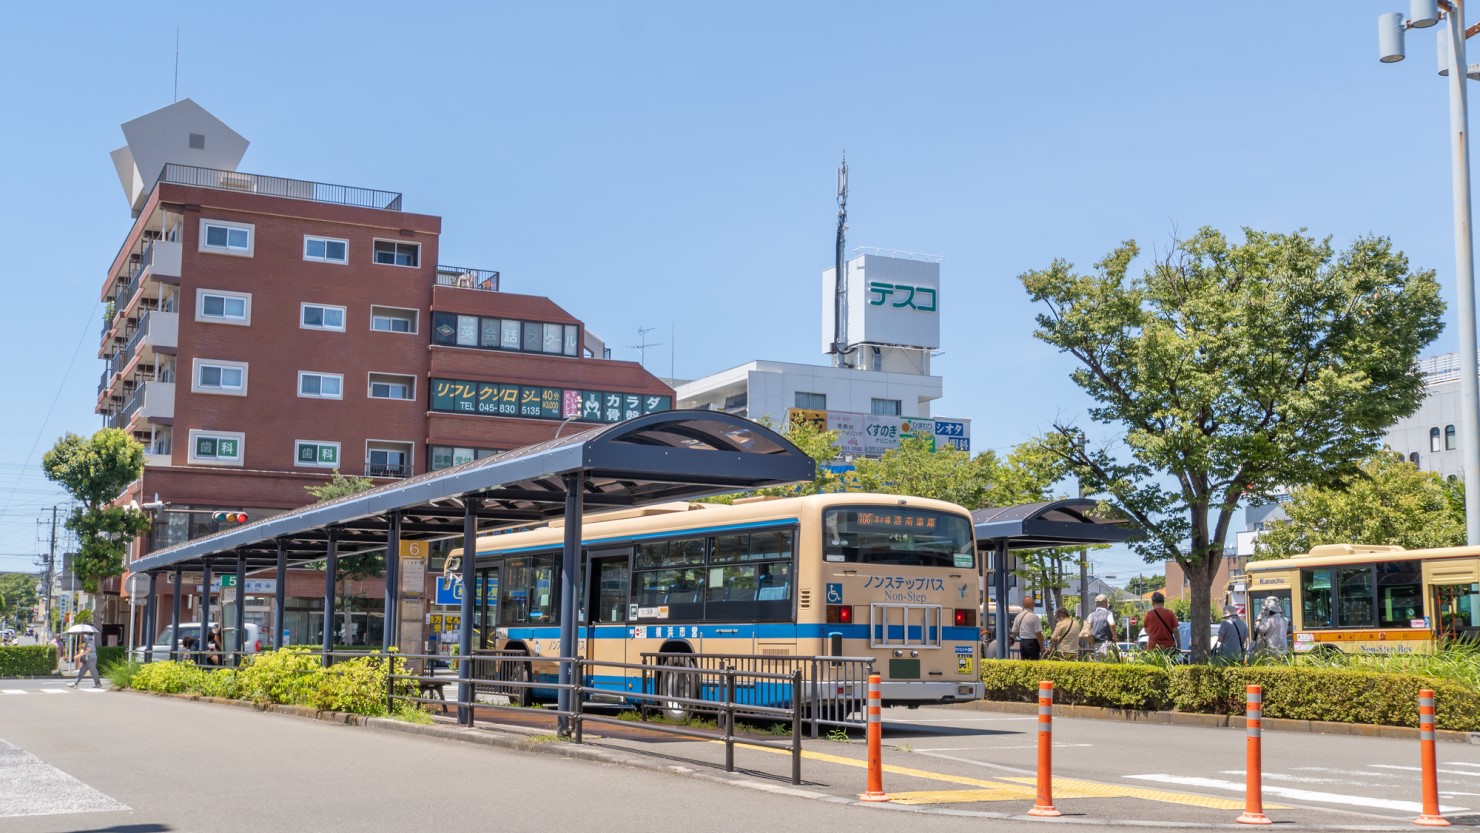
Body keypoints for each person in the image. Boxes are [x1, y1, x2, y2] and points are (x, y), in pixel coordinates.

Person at [1142, 591, 1181, 657]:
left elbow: (1146, 630)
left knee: (1154, 666)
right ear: (1163, 602)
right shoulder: (1170, 613)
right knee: (1169, 666)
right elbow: (1175, 630)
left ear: (1153, 603)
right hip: (1168, 647)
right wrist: (1179, 645)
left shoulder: (1148, 615)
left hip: (1153, 647)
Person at [1082, 594, 1119, 660]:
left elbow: (1086, 630)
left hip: (1096, 645)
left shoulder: (1091, 615)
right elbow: (1112, 624)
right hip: (1107, 644)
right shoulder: (1108, 613)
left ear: (1096, 604)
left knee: (1099, 666)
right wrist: (1115, 637)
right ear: (1105, 603)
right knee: (1109, 666)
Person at [1011, 595, 1045, 660]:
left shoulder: (1018, 616)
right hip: (1032, 643)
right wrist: (1042, 647)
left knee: (1024, 663)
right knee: (1034, 663)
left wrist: (1023, 634)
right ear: (1032, 605)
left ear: (1023, 605)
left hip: (1022, 642)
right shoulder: (1034, 617)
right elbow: (1038, 633)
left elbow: (1014, 632)